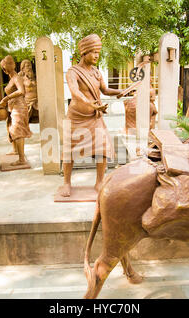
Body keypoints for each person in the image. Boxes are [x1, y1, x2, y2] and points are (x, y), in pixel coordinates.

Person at [60, 34, 123, 197]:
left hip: (94, 117)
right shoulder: (73, 72)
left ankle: (99, 181)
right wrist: (89, 103)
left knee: (102, 146)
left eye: (98, 52)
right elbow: (75, 91)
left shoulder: (96, 72)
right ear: (84, 52)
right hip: (76, 117)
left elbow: (105, 90)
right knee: (69, 151)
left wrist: (121, 91)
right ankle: (67, 182)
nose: (96, 56)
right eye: (94, 52)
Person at [0, 55, 32, 165]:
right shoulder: (12, 78)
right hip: (12, 108)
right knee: (11, 129)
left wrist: (6, 98)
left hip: (19, 107)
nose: (5, 69)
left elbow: (21, 91)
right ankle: (15, 150)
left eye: (6, 66)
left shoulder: (16, 78)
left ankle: (22, 159)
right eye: (4, 66)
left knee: (18, 131)